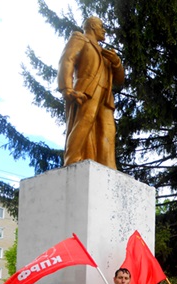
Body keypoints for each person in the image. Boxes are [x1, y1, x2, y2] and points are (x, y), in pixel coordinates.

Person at [57, 16, 125, 169]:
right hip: (86, 91)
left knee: (108, 130)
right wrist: (67, 88)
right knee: (84, 123)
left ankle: (108, 165)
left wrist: (116, 62)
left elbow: (119, 80)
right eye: (102, 26)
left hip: (105, 97)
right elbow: (67, 60)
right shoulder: (80, 38)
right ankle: (72, 160)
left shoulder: (105, 54)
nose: (104, 30)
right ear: (93, 27)